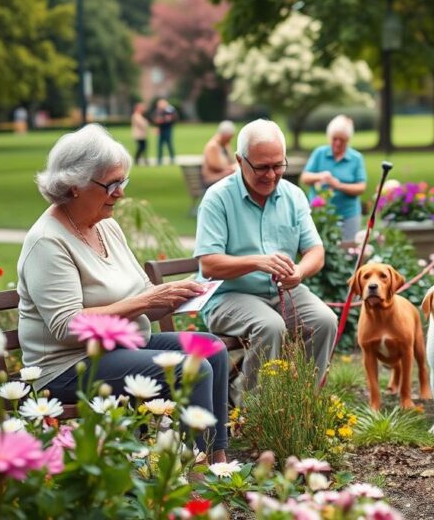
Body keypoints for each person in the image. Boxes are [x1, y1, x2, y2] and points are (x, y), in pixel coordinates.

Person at [18, 123, 230, 462]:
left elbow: (143, 295)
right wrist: (147, 300)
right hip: (69, 365)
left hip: (119, 346)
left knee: (212, 348)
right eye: (112, 184)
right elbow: (68, 326)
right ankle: (199, 474)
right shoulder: (48, 241)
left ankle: (218, 462)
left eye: (123, 182)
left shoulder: (106, 226)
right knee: (192, 368)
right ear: (74, 186)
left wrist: (175, 295)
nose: (120, 194)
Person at [195, 119, 338, 394]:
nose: (271, 175)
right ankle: (251, 410)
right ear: (240, 160)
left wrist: (300, 272)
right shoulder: (218, 198)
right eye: (261, 167)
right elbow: (209, 264)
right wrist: (257, 261)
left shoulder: (293, 195)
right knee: (270, 326)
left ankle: (301, 402)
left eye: (278, 166)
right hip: (227, 296)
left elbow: (315, 252)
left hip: (280, 294)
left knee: (324, 321)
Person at [299, 115, 367, 241]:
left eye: (342, 140)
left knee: (348, 251)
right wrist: (320, 176)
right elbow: (305, 178)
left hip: (348, 215)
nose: (337, 143)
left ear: (348, 140)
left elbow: (361, 187)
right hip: (320, 215)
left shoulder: (356, 158)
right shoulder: (320, 153)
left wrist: (339, 185)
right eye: (334, 139)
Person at [201, 120, 238, 188]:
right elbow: (215, 166)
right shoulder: (212, 146)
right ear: (225, 135)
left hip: (223, 176)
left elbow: (232, 160)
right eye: (230, 136)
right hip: (213, 179)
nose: (231, 139)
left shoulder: (225, 145)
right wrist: (232, 168)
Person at [154, 98, 178, 165]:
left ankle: (172, 158)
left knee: (169, 143)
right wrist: (157, 126)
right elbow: (156, 119)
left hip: (167, 129)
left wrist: (162, 120)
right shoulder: (159, 111)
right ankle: (159, 160)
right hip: (161, 129)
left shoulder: (169, 109)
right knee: (160, 145)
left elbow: (171, 119)